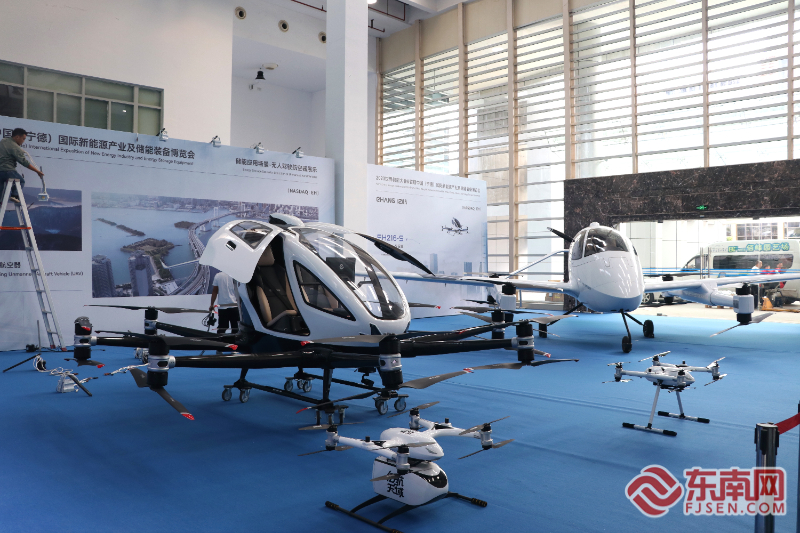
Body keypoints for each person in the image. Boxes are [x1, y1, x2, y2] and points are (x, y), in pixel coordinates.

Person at [0, 128, 44, 201]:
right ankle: (15, 195)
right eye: (23, 139)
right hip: (8, 170)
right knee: (20, 181)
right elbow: (24, 162)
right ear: (17, 137)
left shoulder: (3, 141)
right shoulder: (15, 147)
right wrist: (37, 171)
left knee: (1, 190)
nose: (23, 141)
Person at [210, 270, 240, 336]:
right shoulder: (235, 275)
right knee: (236, 328)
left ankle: (220, 342)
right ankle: (234, 342)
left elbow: (215, 291)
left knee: (222, 328)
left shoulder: (218, 276)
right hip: (234, 305)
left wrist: (212, 304)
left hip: (222, 306)